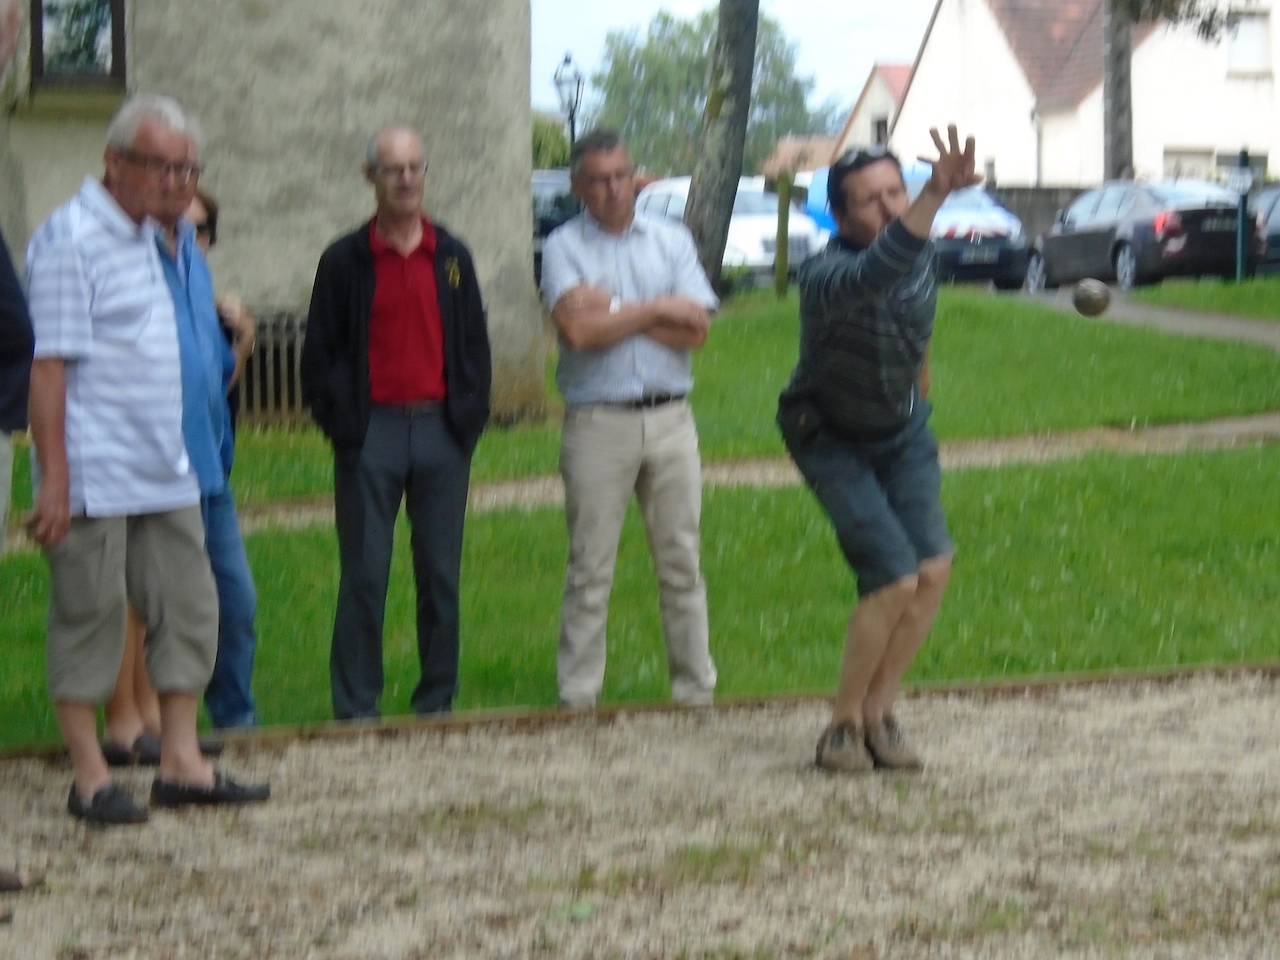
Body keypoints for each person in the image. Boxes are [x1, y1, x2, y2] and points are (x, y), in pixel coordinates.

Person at [25, 93, 269, 824]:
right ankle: (91, 777)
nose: (177, 182)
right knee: (91, 620)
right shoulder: (71, 239)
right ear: (113, 161)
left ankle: (182, 762)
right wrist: (56, 480)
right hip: (96, 471)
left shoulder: (154, 237)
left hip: (166, 469)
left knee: (192, 609)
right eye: (160, 166)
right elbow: (48, 367)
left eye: (188, 168)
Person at [777, 127, 979, 773]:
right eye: (871, 200)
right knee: (893, 575)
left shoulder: (920, 255)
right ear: (839, 216)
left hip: (902, 431)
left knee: (934, 567)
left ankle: (878, 713)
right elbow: (879, 269)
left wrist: (918, 371)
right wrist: (934, 197)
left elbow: (914, 307)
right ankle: (839, 726)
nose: (891, 207)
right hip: (828, 434)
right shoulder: (825, 275)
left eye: (898, 191)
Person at [301, 125, 492, 720]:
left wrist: (466, 421)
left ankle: (436, 698)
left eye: (415, 167)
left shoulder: (453, 257)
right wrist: (345, 428)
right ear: (371, 178)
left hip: (441, 432)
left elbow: (475, 350)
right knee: (365, 574)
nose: (407, 179)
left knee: (440, 575)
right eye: (393, 169)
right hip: (371, 434)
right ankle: (357, 704)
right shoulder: (344, 261)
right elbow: (320, 356)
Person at [539, 128, 718, 709]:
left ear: (633, 175)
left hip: (671, 420)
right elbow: (578, 332)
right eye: (598, 179)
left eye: (620, 176)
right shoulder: (563, 247)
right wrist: (655, 307)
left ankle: (695, 692)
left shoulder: (671, 240)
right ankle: (578, 696)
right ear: (577, 186)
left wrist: (612, 308)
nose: (613, 189)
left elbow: (696, 329)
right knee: (590, 567)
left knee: (681, 562)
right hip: (598, 423)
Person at [188, 187, 256, 430]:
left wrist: (245, 338)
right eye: (178, 228)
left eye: (199, 230)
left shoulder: (210, 306)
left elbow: (216, 391)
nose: (189, 239)